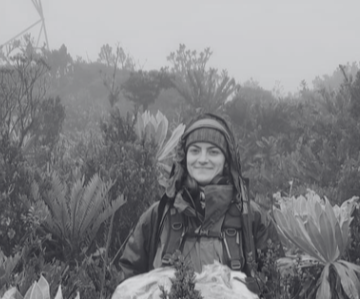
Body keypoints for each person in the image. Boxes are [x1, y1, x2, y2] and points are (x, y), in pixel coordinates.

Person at [114, 112, 269, 289]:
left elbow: (275, 284)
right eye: (195, 151)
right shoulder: (159, 214)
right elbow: (128, 277)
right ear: (184, 157)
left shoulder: (251, 217)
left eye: (213, 152)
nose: (202, 159)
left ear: (227, 160)